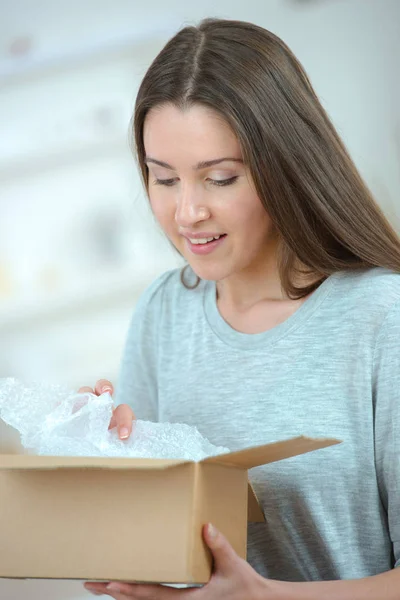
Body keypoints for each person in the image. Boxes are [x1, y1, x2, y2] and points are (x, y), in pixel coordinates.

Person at [83, 18, 400, 600]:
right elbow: (160, 555)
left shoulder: (382, 320)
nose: (187, 212)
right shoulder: (163, 314)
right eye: (164, 179)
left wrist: (265, 596)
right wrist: (95, 465)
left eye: (219, 178)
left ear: (287, 165)